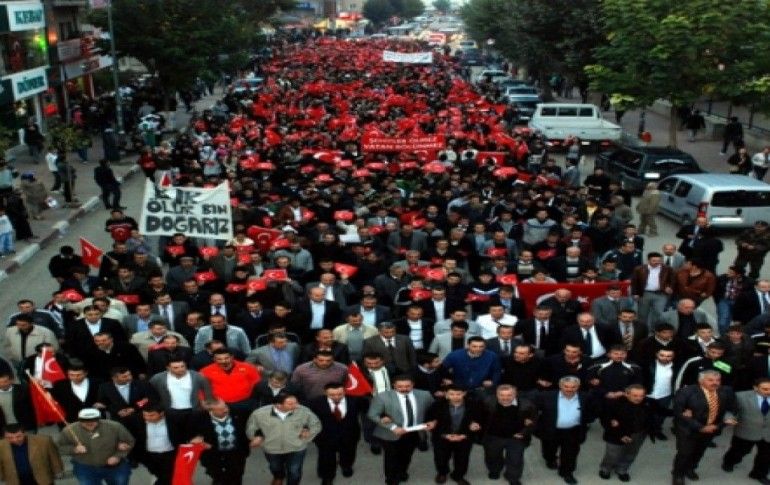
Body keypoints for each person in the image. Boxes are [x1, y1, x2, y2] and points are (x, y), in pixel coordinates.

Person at [367, 374, 436, 485]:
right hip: (390, 433)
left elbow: (435, 410)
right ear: (394, 385)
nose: (404, 389)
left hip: (413, 432)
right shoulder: (382, 397)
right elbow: (372, 414)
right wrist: (393, 427)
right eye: (400, 386)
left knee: (407, 455)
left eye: (407, 386)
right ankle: (391, 479)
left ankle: (402, 472)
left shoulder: (425, 395)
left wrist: (433, 421)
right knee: (391, 458)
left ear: (413, 384)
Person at [671, 370, 737, 485]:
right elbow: (678, 412)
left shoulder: (726, 391)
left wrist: (724, 421)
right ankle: (678, 474)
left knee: (699, 452)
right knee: (684, 453)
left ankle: (690, 469)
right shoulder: (686, 392)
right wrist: (700, 427)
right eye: (710, 380)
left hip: (711, 429)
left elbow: (731, 409)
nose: (715, 383)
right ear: (700, 381)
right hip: (689, 430)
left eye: (718, 380)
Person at [247, 392, 321, 485]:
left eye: (296, 402)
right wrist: (255, 438)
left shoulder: (304, 411)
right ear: (278, 405)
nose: (296, 406)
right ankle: (279, 477)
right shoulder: (259, 414)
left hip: (297, 447)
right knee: (275, 467)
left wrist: (308, 434)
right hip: (272, 448)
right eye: (291, 404)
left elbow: (316, 425)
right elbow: (251, 428)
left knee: (294, 471)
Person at [535, 376, 597, 485]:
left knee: (570, 454)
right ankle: (550, 459)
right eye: (566, 386)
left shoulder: (585, 397)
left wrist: (586, 421)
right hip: (551, 429)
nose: (569, 389)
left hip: (573, 431)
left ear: (578, 387)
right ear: (560, 386)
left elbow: (592, 410)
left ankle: (567, 472)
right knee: (549, 449)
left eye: (573, 387)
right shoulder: (546, 396)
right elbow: (533, 409)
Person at [57, 408, 135, 485]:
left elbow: (129, 441)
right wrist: (74, 449)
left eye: (93, 420)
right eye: (85, 420)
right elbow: (59, 448)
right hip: (85, 467)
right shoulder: (69, 430)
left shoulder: (115, 426)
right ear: (79, 420)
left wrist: (118, 456)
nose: (89, 423)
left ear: (99, 419)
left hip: (115, 467)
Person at [425, 384, 484, 485]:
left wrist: (475, 426)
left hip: (464, 437)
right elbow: (430, 421)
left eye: (458, 394)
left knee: (462, 459)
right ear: (446, 394)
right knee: (441, 458)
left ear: (464, 393)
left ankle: (458, 476)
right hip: (442, 437)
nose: (455, 397)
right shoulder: (437, 405)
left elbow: (481, 419)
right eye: (451, 394)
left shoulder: (474, 405)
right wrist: (444, 434)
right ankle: (442, 473)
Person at [479, 384, 537, 485]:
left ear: (515, 394)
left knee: (515, 459)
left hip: (516, 437)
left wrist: (524, 432)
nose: (505, 398)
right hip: (493, 436)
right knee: (492, 456)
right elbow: (479, 417)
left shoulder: (527, 405)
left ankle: (513, 477)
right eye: (502, 395)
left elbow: (534, 421)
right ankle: (495, 470)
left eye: (509, 395)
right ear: (497, 395)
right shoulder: (488, 402)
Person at [598, 384, 655, 482]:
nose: (639, 398)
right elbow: (606, 421)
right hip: (616, 435)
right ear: (627, 394)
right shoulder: (614, 404)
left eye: (641, 395)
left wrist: (680, 412)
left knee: (631, 453)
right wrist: (620, 435)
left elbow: (662, 411)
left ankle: (622, 470)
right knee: (612, 454)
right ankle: (605, 469)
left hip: (638, 434)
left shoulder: (648, 403)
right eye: (635, 395)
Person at [308, 383, 361, 484]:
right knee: (326, 458)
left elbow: (370, 409)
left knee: (348, 453)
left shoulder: (355, 400)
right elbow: (307, 418)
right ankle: (327, 477)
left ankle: (346, 466)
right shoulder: (315, 403)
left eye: (340, 394)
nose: (336, 397)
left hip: (349, 435)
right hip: (325, 437)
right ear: (325, 393)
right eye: (332, 395)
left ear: (344, 391)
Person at [721, 377, 770, 484]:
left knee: (766, 456)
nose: (768, 392)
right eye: (765, 389)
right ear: (755, 388)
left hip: (768, 433)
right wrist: (729, 418)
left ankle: (759, 474)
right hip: (746, 431)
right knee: (739, 452)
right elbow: (730, 410)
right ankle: (729, 462)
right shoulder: (741, 396)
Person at [189, 399, 249, 485]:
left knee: (236, 478)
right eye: (221, 409)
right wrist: (196, 440)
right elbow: (190, 434)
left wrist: (257, 436)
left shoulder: (238, 412)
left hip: (236, 454)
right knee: (219, 479)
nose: (226, 410)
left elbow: (254, 423)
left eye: (225, 407)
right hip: (214, 455)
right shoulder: (199, 418)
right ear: (211, 410)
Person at [133, 404, 185, 485]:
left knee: (168, 476)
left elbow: (185, 432)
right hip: (150, 456)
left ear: (161, 413)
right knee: (159, 474)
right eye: (145, 415)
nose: (147, 418)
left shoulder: (173, 420)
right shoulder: (138, 422)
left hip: (169, 454)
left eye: (151, 415)